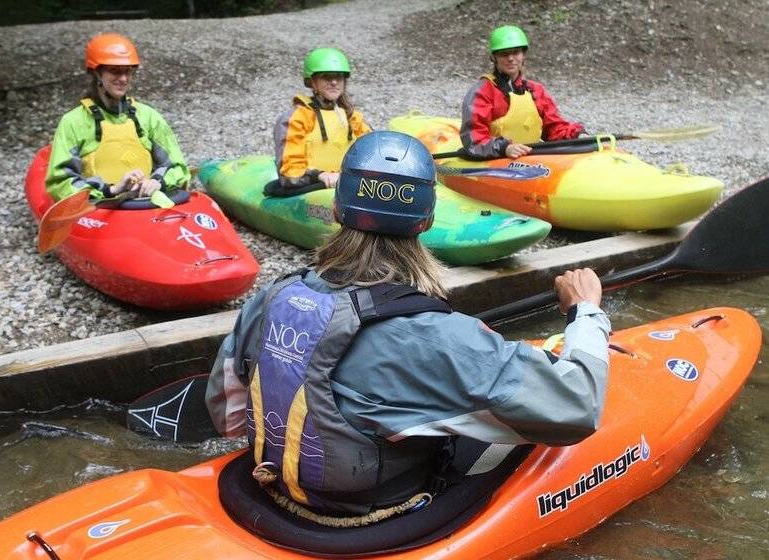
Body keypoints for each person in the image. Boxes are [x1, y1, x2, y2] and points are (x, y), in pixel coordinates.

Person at [206, 130, 610, 518]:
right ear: (426, 221)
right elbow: (577, 407)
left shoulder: (270, 298)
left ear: (337, 209)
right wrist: (584, 311)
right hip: (382, 511)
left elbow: (229, 417)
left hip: (274, 493)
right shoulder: (438, 336)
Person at [45, 33, 190, 202]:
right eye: (115, 71)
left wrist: (158, 182)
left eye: (128, 72)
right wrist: (110, 190)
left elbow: (178, 168)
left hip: (143, 205)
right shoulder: (73, 122)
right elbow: (60, 183)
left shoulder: (148, 116)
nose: (123, 79)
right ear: (97, 73)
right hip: (98, 207)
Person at [460, 25, 585, 160]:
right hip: (496, 159)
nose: (510, 58)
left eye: (516, 53)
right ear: (493, 57)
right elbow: (474, 138)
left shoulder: (535, 90)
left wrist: (577, 135)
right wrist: (505, 148)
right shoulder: (482, 92)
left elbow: (554, 128)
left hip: (528, 160)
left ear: (523, 55)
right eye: (504, 54)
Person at [269, 47, 372, 197]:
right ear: (312, 82)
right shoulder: (297, 118)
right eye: (326, 77)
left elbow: (373, 154)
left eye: (339, 77)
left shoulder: (352, 117)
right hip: (312, 187)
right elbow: (291, 173)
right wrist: (319, 175)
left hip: (347, 185)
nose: (334, 82)